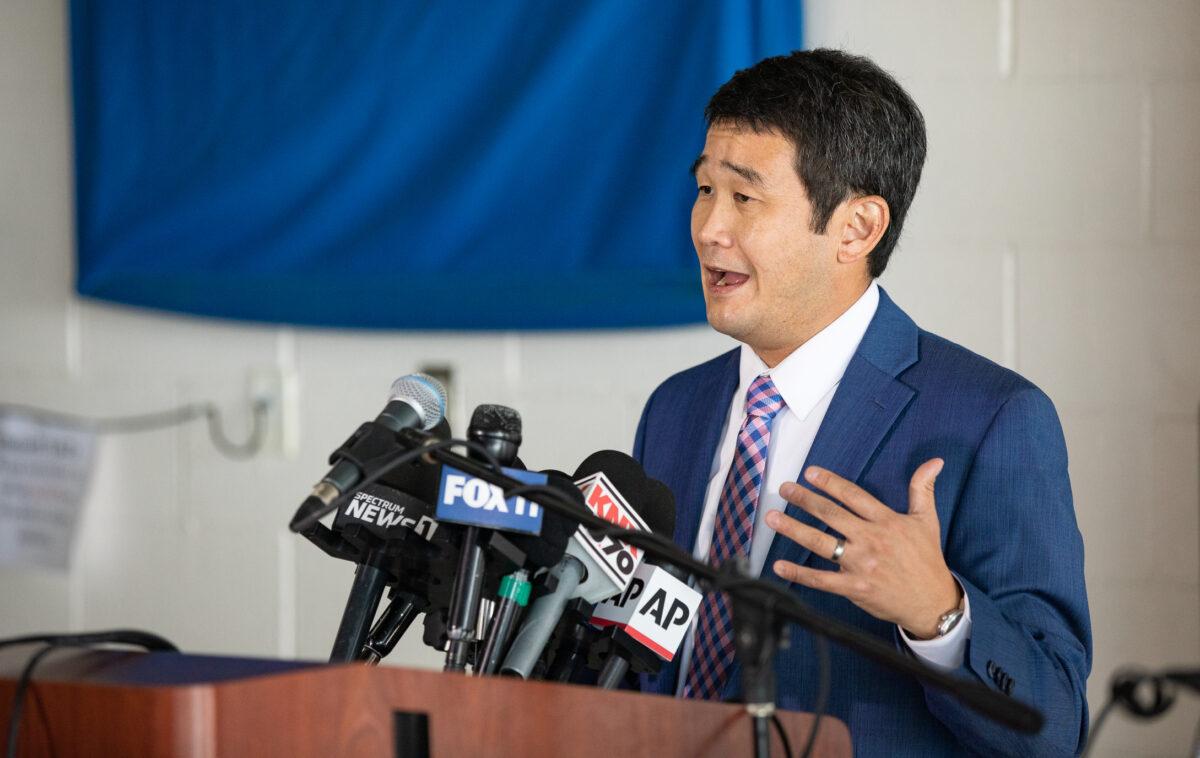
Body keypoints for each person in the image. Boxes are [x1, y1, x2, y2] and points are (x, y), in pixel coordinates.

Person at [633, 49, 1091, 756]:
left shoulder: (994, 419)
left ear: (857, 228)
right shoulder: (675, 409)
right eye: (703, 190)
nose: (708, 229)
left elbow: (1054, 729)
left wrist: (940, 615)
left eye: (744, 198)